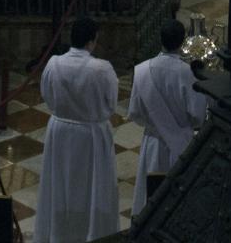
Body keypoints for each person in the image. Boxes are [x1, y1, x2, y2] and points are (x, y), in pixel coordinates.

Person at [34, 15, 120, 243]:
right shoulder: (101, 69)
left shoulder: (53, 64)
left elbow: (47, 96)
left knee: (60, 186)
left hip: (60, 130)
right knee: (91, 188)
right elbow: (111, 104)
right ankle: (92, 233)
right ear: (92, 41)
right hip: (91, 135)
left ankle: (60, 233)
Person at [128, 19, 208, 216]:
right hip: (182, 145)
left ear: (160, 39)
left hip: (153, 144)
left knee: (151, 203)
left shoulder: (142, 70)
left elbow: (135, 112)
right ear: (182, 42)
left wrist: (155, 125)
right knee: (178, 204)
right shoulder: (187, 73)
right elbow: (198, 116)